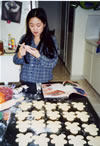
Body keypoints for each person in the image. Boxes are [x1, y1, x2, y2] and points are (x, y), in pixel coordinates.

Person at [13, 8, 58, 94]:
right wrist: (19, 55)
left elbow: (52, 63)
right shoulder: (25, 38)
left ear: (44, 24)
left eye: (38, 25)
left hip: (43, 82)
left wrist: (39, 56)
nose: (35, 29)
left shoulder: (51, 40)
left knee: (43, 106)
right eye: (31, 25)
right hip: (26, 80)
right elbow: (16, 61)